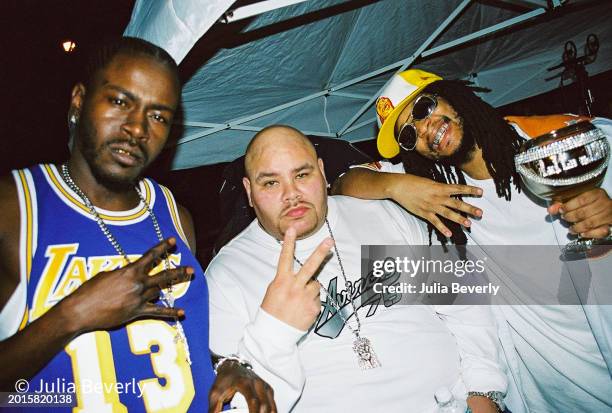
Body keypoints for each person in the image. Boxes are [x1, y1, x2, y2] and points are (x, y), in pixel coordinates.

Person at [0, 37, 275, 413]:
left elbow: (177, 343)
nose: (137, 128)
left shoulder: (175, 215)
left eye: (158, 115)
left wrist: (224, 366)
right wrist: (75, 313)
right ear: (79, 99)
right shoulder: (15, 205)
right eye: (119, 101)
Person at [333, 69, 612, 412]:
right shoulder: (437, 186)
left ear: (450, 94)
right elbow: (342, 183)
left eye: (423, 109)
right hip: (549, 391)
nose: (423, 129)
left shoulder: (553, 137)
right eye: (409, 134)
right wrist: (396, 186)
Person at [206, 125, 508, 413]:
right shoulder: (228, 274)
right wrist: (276, 327)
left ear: (322, 172)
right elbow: (240, 399)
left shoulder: (383, 215)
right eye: (271, 182)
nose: (292, 194)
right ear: (248, 191)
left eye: (302, 174)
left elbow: (464, 303)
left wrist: (483, 390)